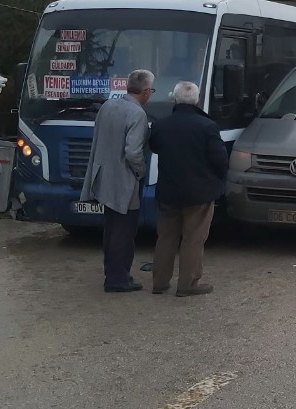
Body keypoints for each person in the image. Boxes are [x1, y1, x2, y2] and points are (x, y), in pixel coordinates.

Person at [148, 81, 228, 297]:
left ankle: (160, 282)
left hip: (168, 191)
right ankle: (188, 283)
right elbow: (220, 160)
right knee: (193, 238)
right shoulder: (207, 126)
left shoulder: (160, 125)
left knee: (166, 237)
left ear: (174, 100)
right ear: (197, 100)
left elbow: (154, 147)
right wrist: (217, 182)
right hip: (199, 193)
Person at [81, 69, 155, 293]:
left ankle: (111, 273)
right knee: (124, 231)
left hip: (103, 178)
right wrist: (140, 172)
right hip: (125, 181)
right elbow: (133, 152)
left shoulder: (108, 106)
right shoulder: (138, 114)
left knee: (111, 228)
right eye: (151, 90)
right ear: (144, 92)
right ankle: (118, 278)